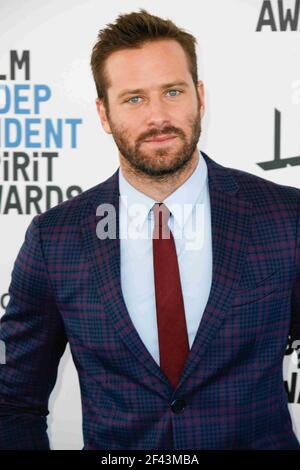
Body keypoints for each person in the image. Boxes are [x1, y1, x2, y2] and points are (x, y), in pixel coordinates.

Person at [0, 8, 300, 450]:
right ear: (104, 113)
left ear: (200, 96)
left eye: (173, 91)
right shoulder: (55, 239)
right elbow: (14, 400)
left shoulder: (285, 217)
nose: (158, 117)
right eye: (134, 99)